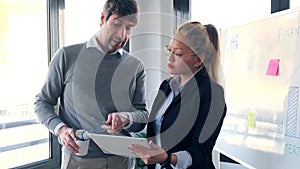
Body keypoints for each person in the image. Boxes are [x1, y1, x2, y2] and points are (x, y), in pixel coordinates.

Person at [34, 0, 149, 168]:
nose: (122, 35)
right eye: (116, 24)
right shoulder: (67, 56)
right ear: (103, 18)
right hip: (79, 160)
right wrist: (61, 129)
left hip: (123, 160)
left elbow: (142, 115)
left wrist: (127, 118)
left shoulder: (135, 66)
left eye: (129, 27)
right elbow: (42, 103)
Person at [128, 21, 227, 169]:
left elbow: (201, 152)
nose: (170, 57)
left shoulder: (212, 94)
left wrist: (168, 158)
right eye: (169, 50)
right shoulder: (166, 86)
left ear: (199, 59)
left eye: (178, 53)